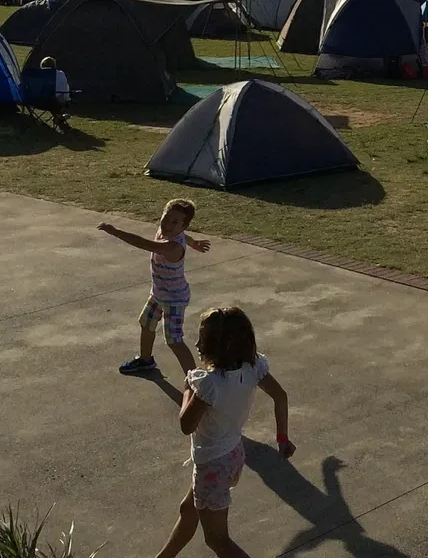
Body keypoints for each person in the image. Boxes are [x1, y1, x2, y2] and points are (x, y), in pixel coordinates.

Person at [156, 306, 295, 558]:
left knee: (217, 539)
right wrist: (282, 439)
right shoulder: (252, 368)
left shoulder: (208, 384)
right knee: (188, 511)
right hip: (232, 456)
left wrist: (188, 388)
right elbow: (281, 397)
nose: (196, 343)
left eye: (202, 338)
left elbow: (186, 425)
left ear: (218, 346)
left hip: (211, 465)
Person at [99, 199, 212, 378]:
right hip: (158, 294)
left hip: (174, 299)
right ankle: (145, 360)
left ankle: (197, 381)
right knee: (146, 323)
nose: (167, 224)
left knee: (174, 341)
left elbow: (145, 244)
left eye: (175, 222)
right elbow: (186, 237)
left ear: (183, 226)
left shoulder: (172, 246)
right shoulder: (170, 232)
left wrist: (116, 232)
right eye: (166, 218)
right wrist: (194, 243)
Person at [38, 55, 70, 128]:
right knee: (55, 98)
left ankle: (58, 117)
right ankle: (59, 117)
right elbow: (65, 90)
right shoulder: (60, 74)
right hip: (55, 102)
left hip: (38, 102)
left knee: (51, 98)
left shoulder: (38, 75)